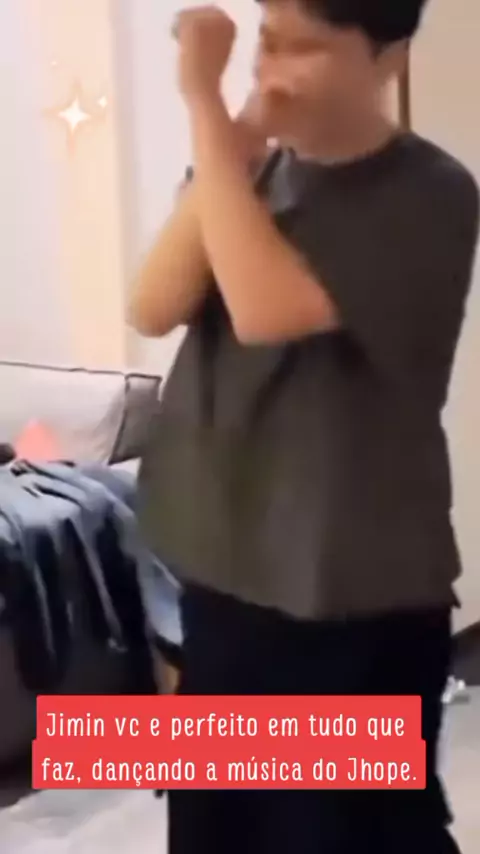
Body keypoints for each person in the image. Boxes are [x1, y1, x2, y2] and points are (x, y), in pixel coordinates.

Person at [129, 1, 479, 851]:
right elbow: (153, 304)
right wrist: (235, 137)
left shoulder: (430, 192)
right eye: (268, 40)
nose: (271, 66)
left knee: (349, 831)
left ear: (389, 59)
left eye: (307, 48)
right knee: (217, 824)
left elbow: (264, 309)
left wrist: (203, 102)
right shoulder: (242, 167)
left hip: (348, 595)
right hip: (222, 572)